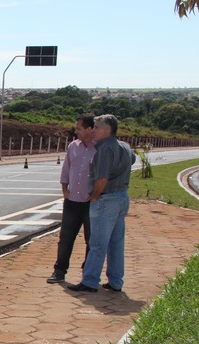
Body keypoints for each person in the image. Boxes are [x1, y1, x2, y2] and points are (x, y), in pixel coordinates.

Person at [68, 114, 135, 293]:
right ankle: (115, 280)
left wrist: (95, 196)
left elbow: (102, 178)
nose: (94, 130)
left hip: (106, 198)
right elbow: (133, 160)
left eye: (97, 127)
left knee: (98, 243)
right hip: (121, 196)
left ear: (107, 129)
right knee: (116, 242)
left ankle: (89, 281)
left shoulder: (104, 149)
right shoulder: (124, 146)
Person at [46, 114, 96, 283]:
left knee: (91, 240)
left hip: (91, 203)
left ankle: (87, 274)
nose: (76, 132)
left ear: (90, 129)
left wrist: (95, 194)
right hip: (72, 200)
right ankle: (59, 271)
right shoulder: (73, 146)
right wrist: (64, 190)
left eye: (79, 129)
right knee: (66, 238)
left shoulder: (100, 148)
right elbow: (66, 169)